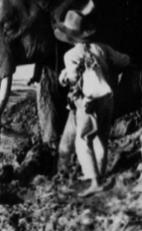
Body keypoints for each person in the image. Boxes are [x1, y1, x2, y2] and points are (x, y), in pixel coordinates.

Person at [54, 11, 131, 196]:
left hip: (88, 103)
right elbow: (124, 61)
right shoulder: (102, 48)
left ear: (70, 37)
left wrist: (63, 77)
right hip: (107, 98)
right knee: (102, 139)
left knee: (83, 140)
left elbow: (72, 79)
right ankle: (100, 174)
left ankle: (95, 181)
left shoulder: (71, 55)